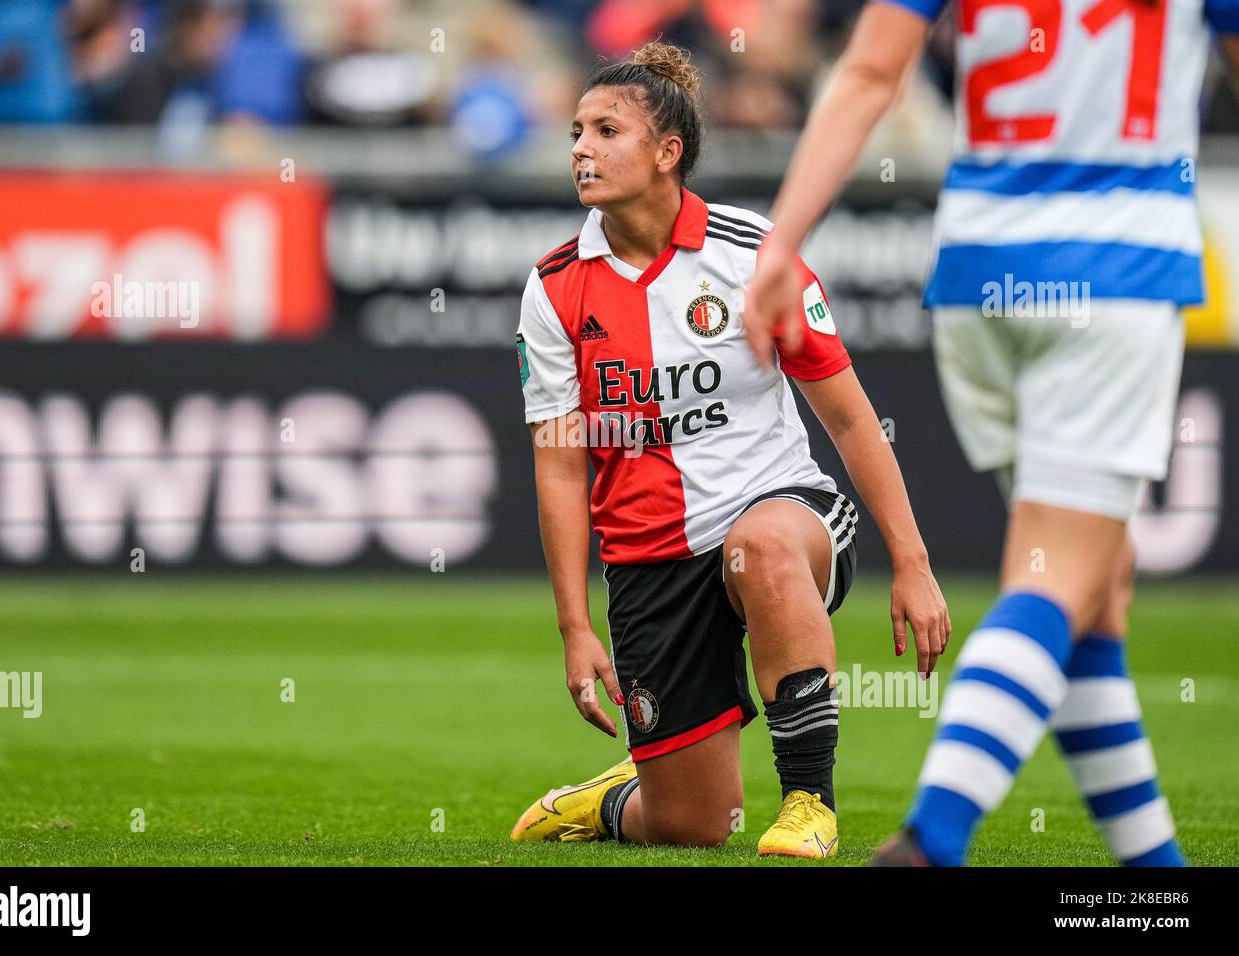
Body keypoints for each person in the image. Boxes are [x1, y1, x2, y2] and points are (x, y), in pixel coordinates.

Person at [744, 0, 1239, 866]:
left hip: (980, 276)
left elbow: (866, 71)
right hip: (1111, 268)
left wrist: (782, 243)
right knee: (1058, 580)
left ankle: (1158, 881)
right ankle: (932, 838)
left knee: (1095, 588)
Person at [510, 41, 949, 856]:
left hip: (781, 511)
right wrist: (575, 624)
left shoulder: (754, 254)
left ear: (667, 152)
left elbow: (853, 421)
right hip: (649, 558)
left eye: (606, 130)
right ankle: (615, 798)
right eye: (576, 130)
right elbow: (562, 465)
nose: (580, 147)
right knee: (690, 827)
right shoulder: (555, 288)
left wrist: (913, 565)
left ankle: (809, 804)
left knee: (761, 547)